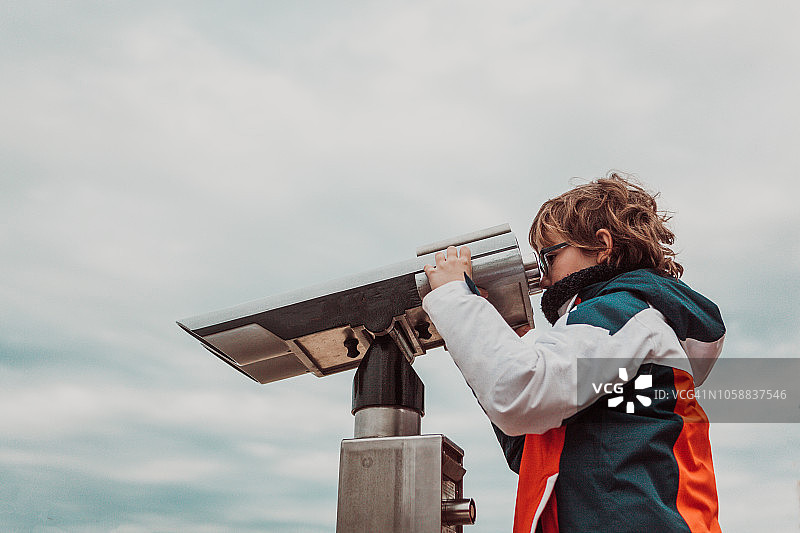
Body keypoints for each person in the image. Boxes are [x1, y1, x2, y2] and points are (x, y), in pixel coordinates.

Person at [422, 174, 725, 533]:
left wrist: (454, 298)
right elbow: (530, 445)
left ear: (602, 246)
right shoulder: (629, 329)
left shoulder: (622, 313)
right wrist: (499, 338)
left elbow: (520, 392)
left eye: (548, 259)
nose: (544, 279)